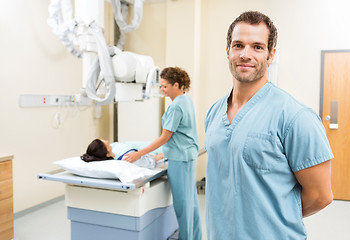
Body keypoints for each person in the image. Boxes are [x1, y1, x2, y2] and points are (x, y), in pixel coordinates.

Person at [204, 11, 334, 239]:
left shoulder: (295, 117)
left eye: (257, 47)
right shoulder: (214, 113)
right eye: (238, 45)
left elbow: (321, 196)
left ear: (270, 54)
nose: (246, 54)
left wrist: (271, 217)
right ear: (228, 51)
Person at [125, 67, 202, 240]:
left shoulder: (176, 107)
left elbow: (165, 138)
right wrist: (161, 155)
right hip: (187, 156)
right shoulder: (186, 100)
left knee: (182, 206)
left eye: (165, 86)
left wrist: (139, 154)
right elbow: (181, 135)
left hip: (179, 159)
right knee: (192, 204)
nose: (162, 89)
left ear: (176, 85)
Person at [81, 139, 165, 168]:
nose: (107, 141)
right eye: (106, 144)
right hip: (157, 156)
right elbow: (152, 161)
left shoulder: (116, 152)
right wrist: (163, 154)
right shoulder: (128, 158)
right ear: (107, 154)